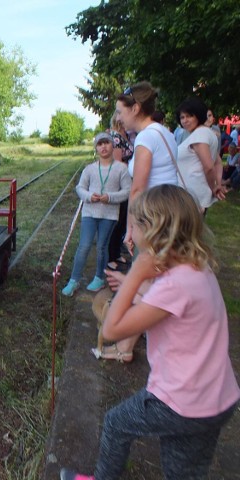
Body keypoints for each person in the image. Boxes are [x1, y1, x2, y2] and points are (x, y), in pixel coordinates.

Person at [61, 184, 240, 480]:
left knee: (116, 424)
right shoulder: (196, 267)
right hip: (217, 399)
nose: (130, 233)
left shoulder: (172, 284)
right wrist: (138, 283)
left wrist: (135, 274)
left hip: (180, 402)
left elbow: (111, 329)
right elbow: (169, 302)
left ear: (153, 230)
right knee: (184, 470)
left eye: (134, 225)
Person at [95, 81, 179, 362]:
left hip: (155, 219)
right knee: (156, 281)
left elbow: (138, 188)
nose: (119, 117)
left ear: (136, 108)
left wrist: (131, 227)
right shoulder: (164, 133)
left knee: (150, 281)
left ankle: (125, 343)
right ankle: (126, 346)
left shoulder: (145, 138)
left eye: (121, 111)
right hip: (171, 214)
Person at [62, 133, 131, 296]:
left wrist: (110, 197)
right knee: (84, 246)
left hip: (109, 214)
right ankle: (74, 279)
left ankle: (99, 277)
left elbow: (127, 191)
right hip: (89, 213)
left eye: (106, 143)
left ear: (112, 145)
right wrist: (88, 196)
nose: (103, 147)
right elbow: (80, 188)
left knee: (101, 246)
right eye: (100, 144)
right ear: (96, 148)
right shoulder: (90, 169)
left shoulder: (121, 168)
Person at [176, 98, 225, 213]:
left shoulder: (200, 135)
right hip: (192, 195)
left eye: (189, 116)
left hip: (192, 197)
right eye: (182, 117)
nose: (185, 120)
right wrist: (217, 184)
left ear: (198, 115)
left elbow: (209, 166)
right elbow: (217, 162)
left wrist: (214, 187)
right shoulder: (206, 133)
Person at [107, 113, 133, 270]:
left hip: (128, 181)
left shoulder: (126, 134)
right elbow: (117, 162)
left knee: (123, 220)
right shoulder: (115, 136)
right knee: (116, 221)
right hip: (120, 183)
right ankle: (110, 256)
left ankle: (116, 253)